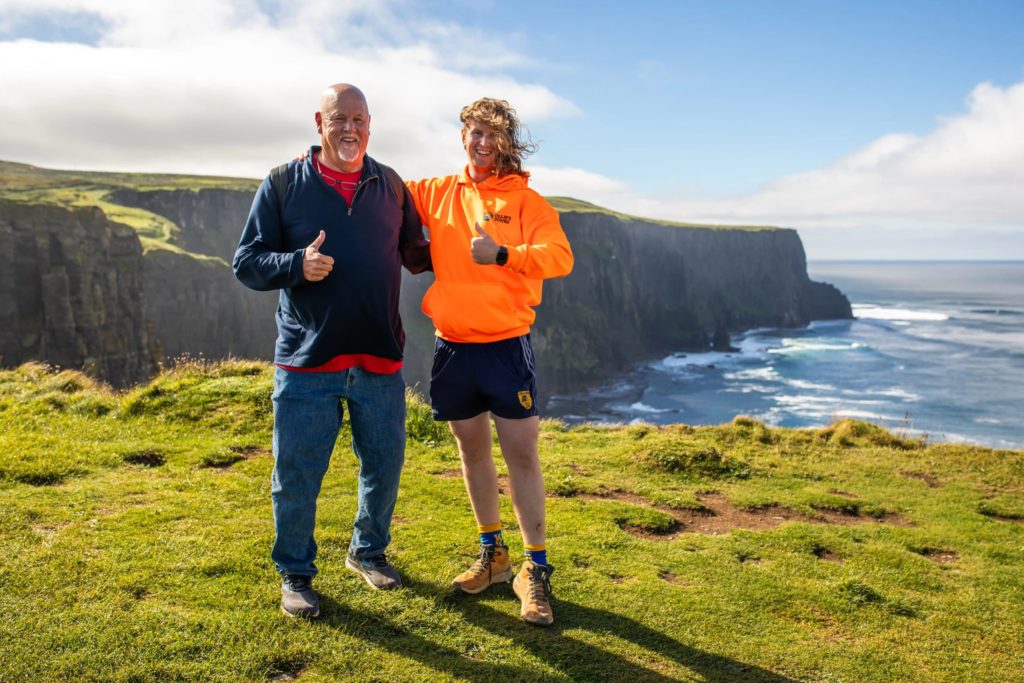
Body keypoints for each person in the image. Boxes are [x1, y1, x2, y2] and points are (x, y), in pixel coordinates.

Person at [233, 83, 430, 619]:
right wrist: (296, 264)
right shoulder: (282, 182)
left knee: (385, 466)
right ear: (318, 122)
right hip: (307, 362)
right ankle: (295, 575)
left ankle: (368, 552)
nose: (351, 128)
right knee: (296, 474)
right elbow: (246, 261)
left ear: (371, 123)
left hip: (379, 358)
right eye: (339, 118)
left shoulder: (389, 185)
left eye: (360, 119)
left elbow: (419, 253)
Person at [405, 98, 573, 626]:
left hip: (505, 344)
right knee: (471, 448)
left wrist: (503, 254)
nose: (480, 142)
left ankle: (535, 569)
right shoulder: (435, 192)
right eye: (473, 132)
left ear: (506, 142)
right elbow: (377, 191)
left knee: (521, 453)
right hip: (452, 344)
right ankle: (493, 555)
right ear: (462, 136)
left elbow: (559, 257)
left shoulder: (527, 201)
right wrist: (317, 164)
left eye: (491, 135)